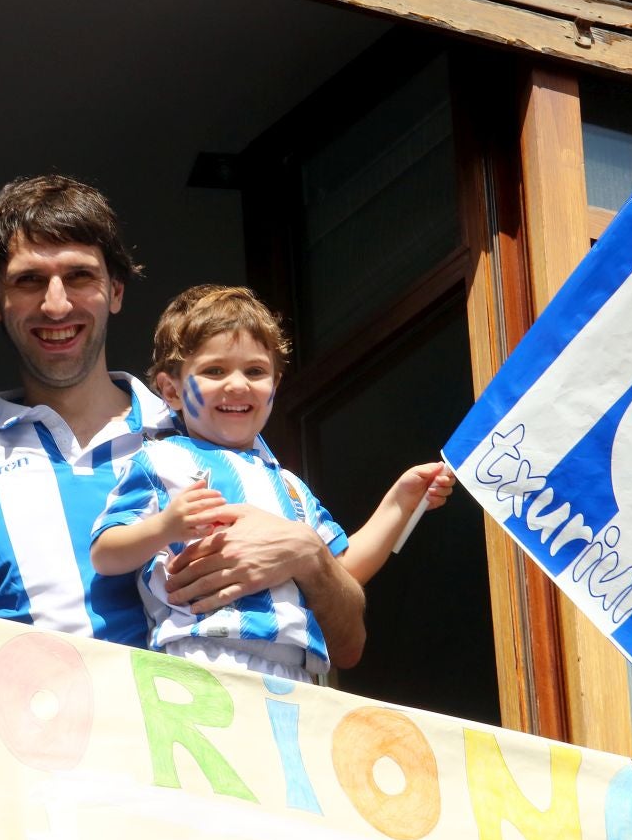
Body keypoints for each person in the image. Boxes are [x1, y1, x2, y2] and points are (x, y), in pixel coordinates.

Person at [0, 175, 368, 664]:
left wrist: (309, 554)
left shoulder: (218, 434)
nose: (56, 303)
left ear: (116, 291)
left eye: (80, 276)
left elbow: (348, 646)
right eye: (29, 280)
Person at [89, 285, 453, 681]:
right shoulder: (159, 459)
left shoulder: (292, 486)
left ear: (275, 387)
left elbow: (342, 570)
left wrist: (399, 504)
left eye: (255, 371)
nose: (238, 384)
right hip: (202, 658)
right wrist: (165, 526)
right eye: (214, 370)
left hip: (297, 671)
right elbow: (105, 553)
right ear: (171, 391)